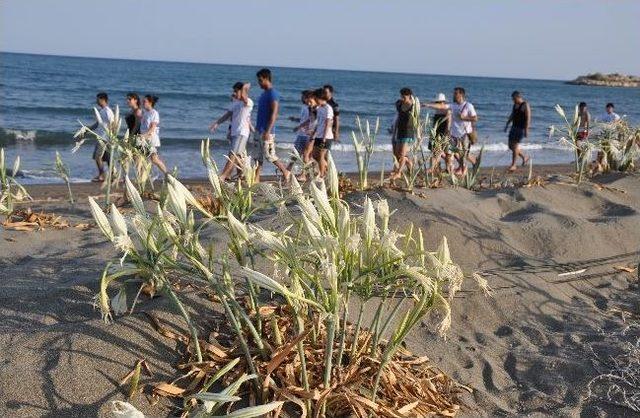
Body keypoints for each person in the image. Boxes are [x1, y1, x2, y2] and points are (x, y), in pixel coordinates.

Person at [210, 82, 254, 181]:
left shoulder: (248, 102)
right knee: (239, 155)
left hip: (242, 133)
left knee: (232, 155)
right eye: (234, 91)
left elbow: (244, 98)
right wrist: (217, 123)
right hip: (235, 133)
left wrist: (243, 88)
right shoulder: (236, 103)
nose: (234, 93)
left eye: (236, 91)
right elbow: (227, 115)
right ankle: (241, 174)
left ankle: (223, 176)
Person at [253, 68, 290, 183]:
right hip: (259, 130)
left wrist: (268, 131)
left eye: (260, 80)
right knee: (257, 156)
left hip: (267, 131)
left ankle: (285, 172)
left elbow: (274, 113)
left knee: (269, 155)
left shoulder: (273, 94)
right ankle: (256, 178)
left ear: (266, 78)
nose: (258, 83)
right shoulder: (263, 94)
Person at [83, 92, 115, 182]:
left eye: (97, 99)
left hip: (105, 138)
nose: (96, 101)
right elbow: (98, 124)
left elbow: (112, 123)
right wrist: (87, 129)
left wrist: (111, 136)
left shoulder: (108, 111)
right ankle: (112, 175)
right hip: (101, 137)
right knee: (107, 158)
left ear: (102, 100)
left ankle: (102, 175)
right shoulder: (101, 111)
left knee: (98, 157)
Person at [390, 87, 420, 180]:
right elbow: (398, 116)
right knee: (399, 155)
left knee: (402, 154)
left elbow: (417, 120)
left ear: (410, 96)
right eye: (401, 96)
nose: (403, 98)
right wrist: (393, 129)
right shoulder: (399, 104)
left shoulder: (413, 106)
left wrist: (418, 133)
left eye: (404, 97)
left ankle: (399, 173)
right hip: (400, 131)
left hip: (409, 132)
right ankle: (410, 167)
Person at [288, 90, 317, 178]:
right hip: (302, 134)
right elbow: (305, 119)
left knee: (305, 155)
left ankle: (304, 174)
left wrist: (311, 131)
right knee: (296, 153)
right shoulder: (306, 107)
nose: (302, 98)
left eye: (304, 97)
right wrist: (296, 121)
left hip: (308, 135)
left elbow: (313, 121)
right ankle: (289, 169)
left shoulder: (313, 108)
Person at [449, 87, 478, 175]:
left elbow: (475, 118)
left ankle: (464, 170)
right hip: (454, 133)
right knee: (455, 151)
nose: (454, 95)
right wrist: (428, 105)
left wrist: (464, 118)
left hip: (465, 133)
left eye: (455, 93)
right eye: (454, 93)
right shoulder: (453, 105)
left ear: (461, 95)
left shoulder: (468, 105)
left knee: (463, 153)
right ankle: (473, 163)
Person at [422, 93, 451, 173]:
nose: (437, 104)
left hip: (443, 132)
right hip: (435, 131)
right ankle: (442, 167)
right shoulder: (437, 110)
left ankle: (434, 168)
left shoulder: (447, 107)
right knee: (436, 151)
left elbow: (448, 121)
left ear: (443, 102)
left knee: (439, 151)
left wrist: (426, 105)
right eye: (437, 102)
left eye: (438, 102)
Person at [139, 95, 168, 175]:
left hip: (151, 139)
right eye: (143, 102)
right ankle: (143, 177)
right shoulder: (145, 113)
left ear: (150, 103)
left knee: (154, 159)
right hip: (144, 139)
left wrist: (144, 135)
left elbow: (152, 128)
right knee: (143, 159)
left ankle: (167, 174)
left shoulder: (154, 113)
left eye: (145, 102)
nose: (143, 103)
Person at [310, 88, 334, 178]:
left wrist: (324, 137)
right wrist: (314, 133)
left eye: (316, 99)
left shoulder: (329, 109)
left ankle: (322, 175)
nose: (315, 101)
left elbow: (328, 123)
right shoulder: (319, 109)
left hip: (326, 137)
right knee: (314, 155)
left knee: (320, 156)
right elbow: (319, 122)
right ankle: (328, 170)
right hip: (318, 136)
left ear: (320, 98)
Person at [504, 91, 531, 172]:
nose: (513, 100)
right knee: (510, 146)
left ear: (518, 97)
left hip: (521, 128)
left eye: (513, 98)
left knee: (515, 146)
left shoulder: (525, 105)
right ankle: (524, 157)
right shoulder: (515, 105)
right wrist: (507, 124)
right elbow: (512, 115)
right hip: (514, 127)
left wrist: (526, 129)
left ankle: (513, 165)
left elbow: (528, 117)